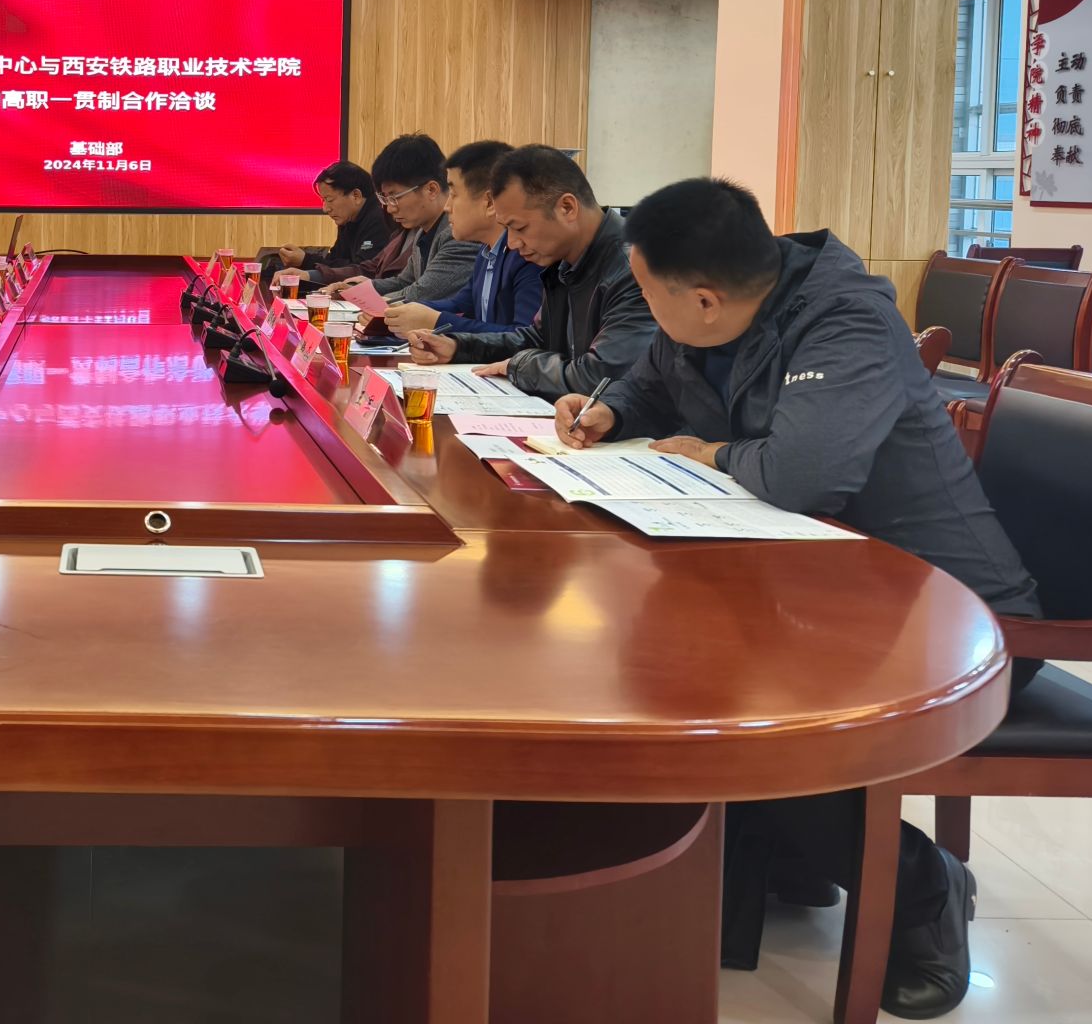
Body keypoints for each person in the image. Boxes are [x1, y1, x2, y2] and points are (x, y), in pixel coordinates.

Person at [553, 177, 1040, 1019]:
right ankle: (781, 855)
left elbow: (802, 475)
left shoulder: (847, 322)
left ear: (705, 298)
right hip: (812, 591)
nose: (647, 311)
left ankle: (924, 891)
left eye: (652, 297)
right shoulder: (722, 304)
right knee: (660, 665)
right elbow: (652, 378)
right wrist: (607, 412)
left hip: (950, 615)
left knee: (754, 718)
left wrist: (710, 454)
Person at [403, 144, 653, 399]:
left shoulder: (635, 269)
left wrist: (518, 366)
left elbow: (601, 377)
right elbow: (536, 338)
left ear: (567, 208)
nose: (512, 243)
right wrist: (457, 347)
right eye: (507, 229)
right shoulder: (563, 260)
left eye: (519, 228)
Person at [383, 139, 545, 336]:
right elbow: (460, 304)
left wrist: (436, 321)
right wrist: (402, 309)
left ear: (489, 202)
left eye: (454, 194)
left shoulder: (525, 255)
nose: (447, 206)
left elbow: (524, 336)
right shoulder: (486, 252)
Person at [356, 133, 481, 306]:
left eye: (394, 197)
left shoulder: (459, 234)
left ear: (431, 190)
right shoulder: (422, 231)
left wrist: (369, 302)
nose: (390, 208)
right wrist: (362, 288)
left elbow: (425, 292)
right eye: (385, 199)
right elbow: (404, 281)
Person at [271, 161, 397, 289]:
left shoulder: (380, 219)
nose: (325, 209)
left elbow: (362, 271)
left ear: (356, 196)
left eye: (329, 200)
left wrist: (306, 261)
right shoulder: (348, 219)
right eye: (323, 200)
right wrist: (305, 261)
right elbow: (335, 260)